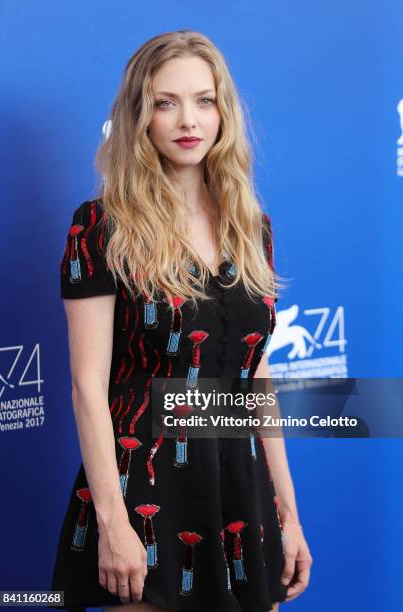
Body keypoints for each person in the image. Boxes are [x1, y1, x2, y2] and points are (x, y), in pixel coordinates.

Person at [49, 29, 312, 612]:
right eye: (165, 102)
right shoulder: (101, 228)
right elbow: (88, 389)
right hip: (143, 483)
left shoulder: (252, 227)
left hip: (241, 489)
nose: (187, 120)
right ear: (139, 115)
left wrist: (287, 513)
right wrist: (114, 523)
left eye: (204, 99)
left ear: (224, 112)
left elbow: (255, 379)